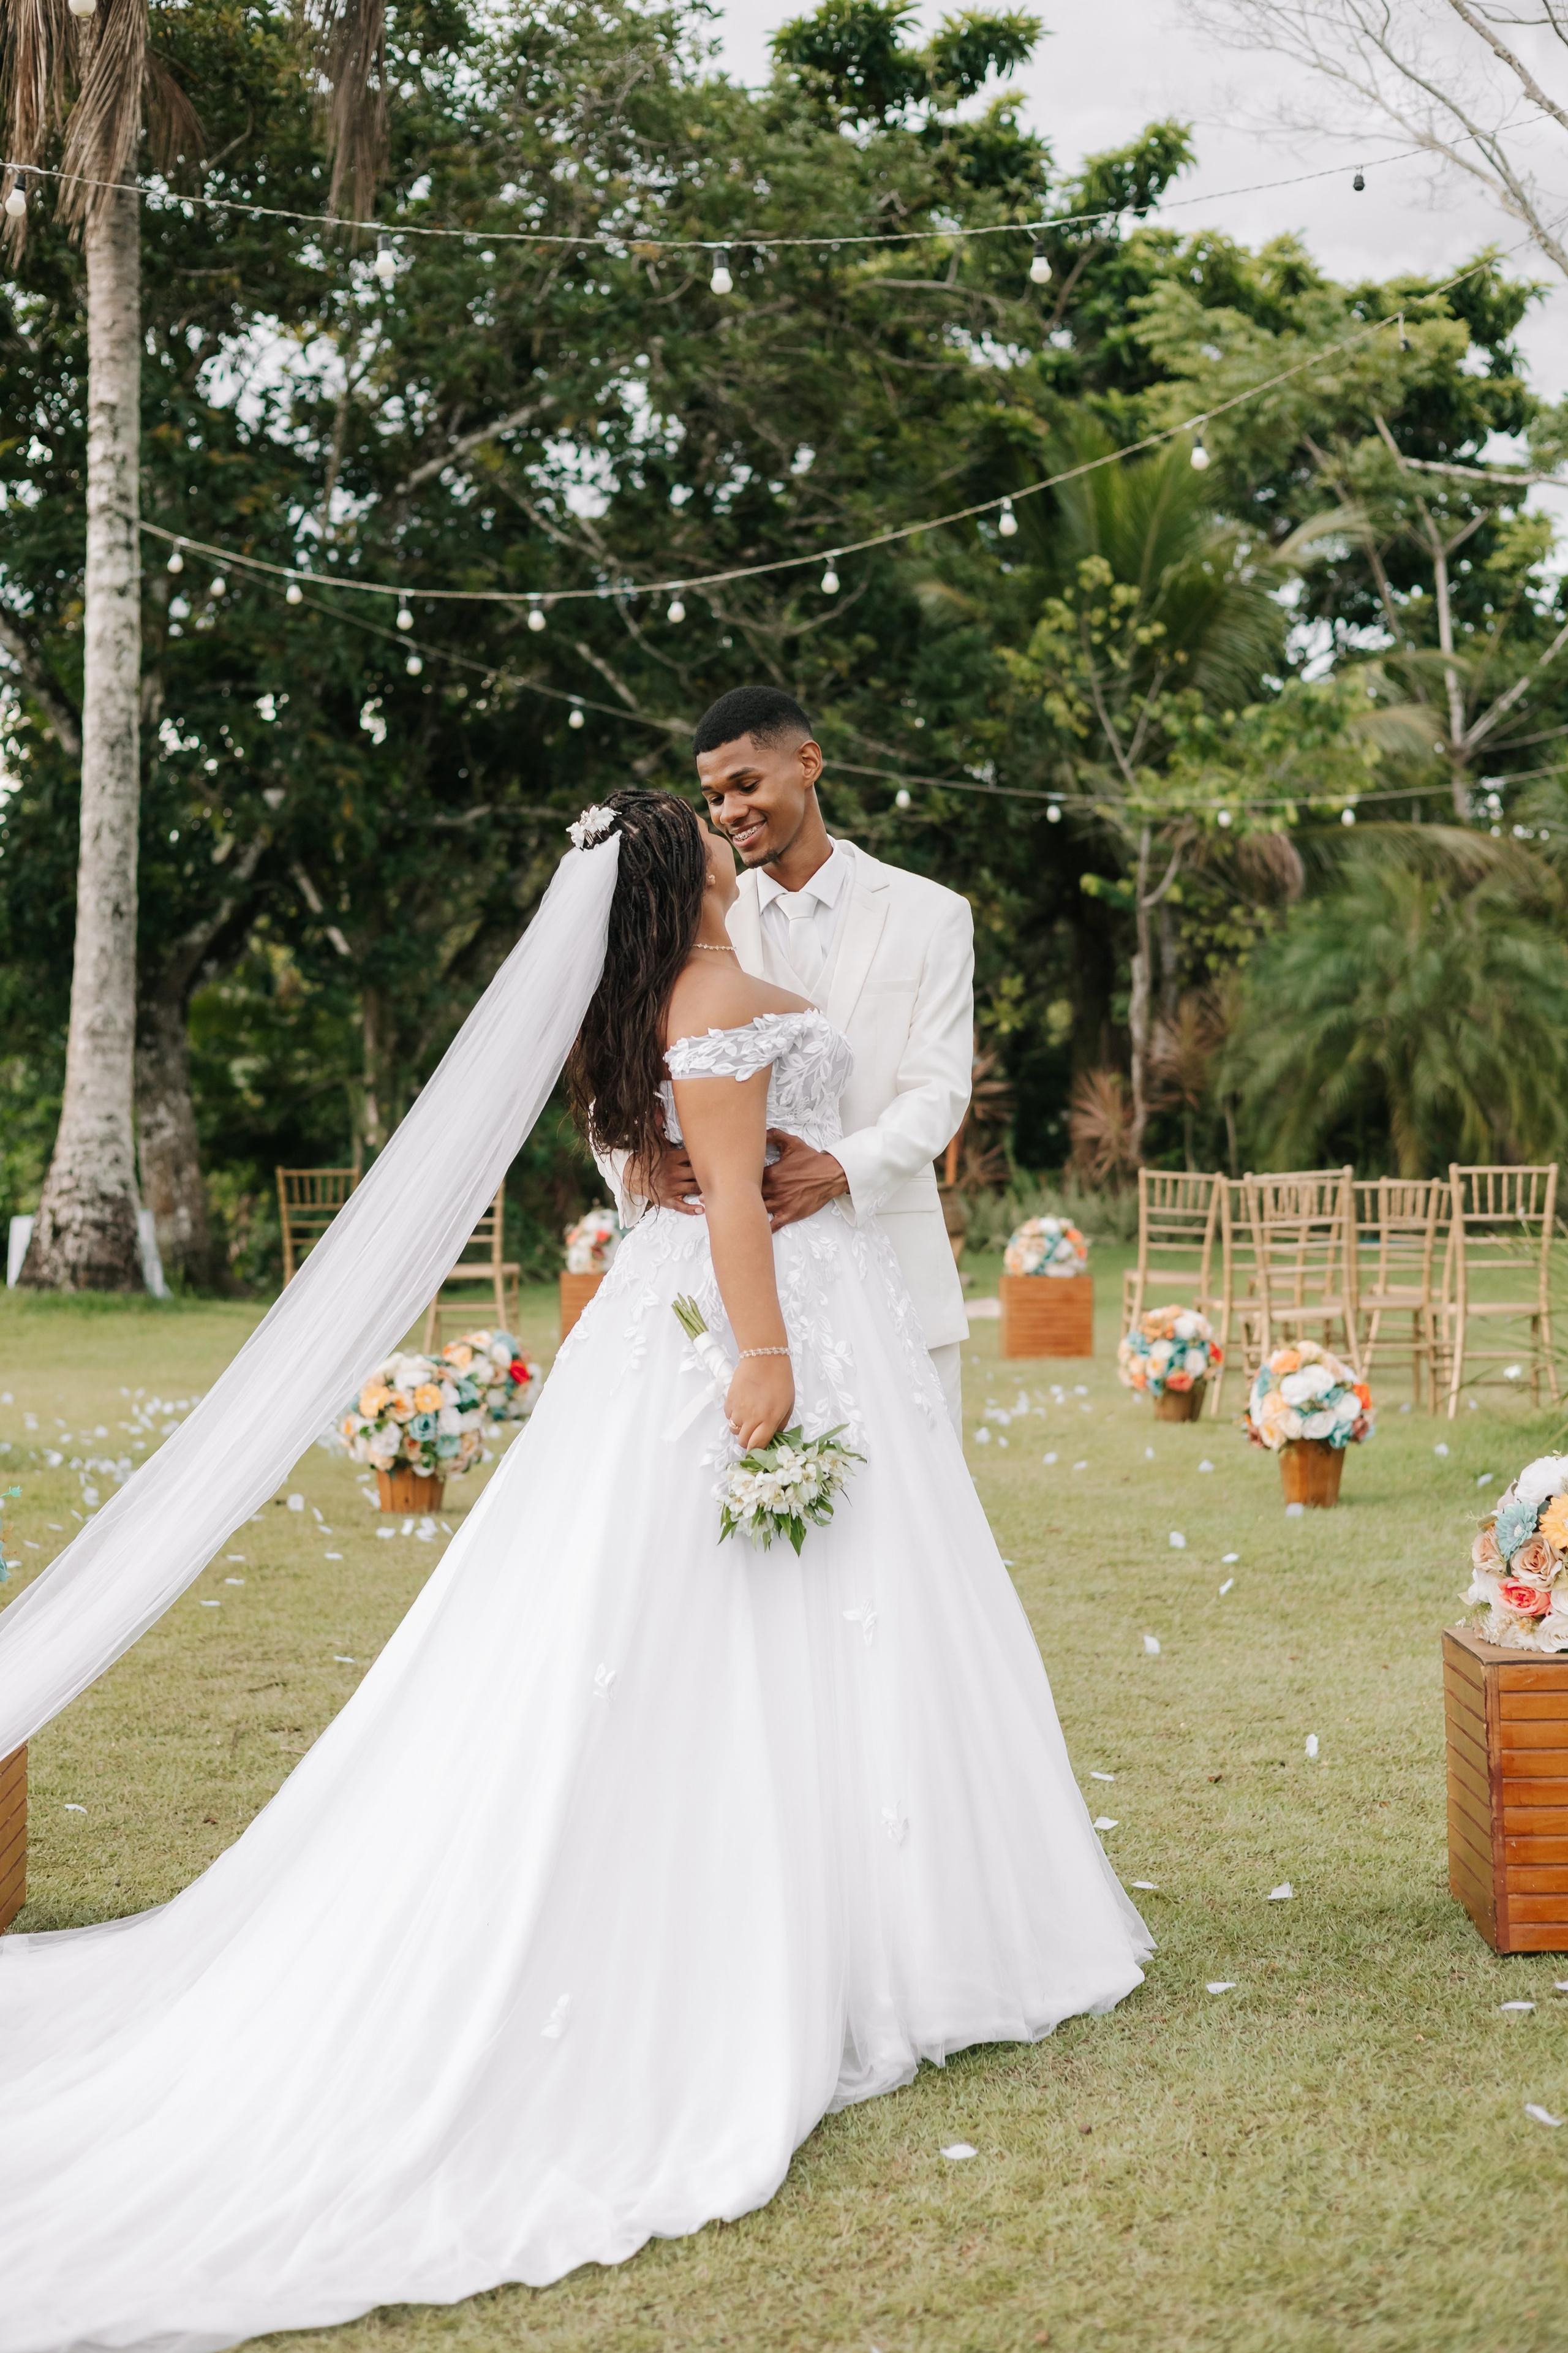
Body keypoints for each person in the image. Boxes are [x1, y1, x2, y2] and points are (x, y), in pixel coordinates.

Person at [0, 793, 1149, 2353]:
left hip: (748, 1318)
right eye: (705, 827)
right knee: (761, 1609)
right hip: (759, 1323)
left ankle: (886, 1917)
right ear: (682, 875)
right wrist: (762, 1359)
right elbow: (728, 1195)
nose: (728, 833)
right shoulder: (715, 999)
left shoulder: (655, 1003)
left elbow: (666, 1166)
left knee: (820, 1612)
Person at [610, 685, 974, 1431]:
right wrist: (633, 1164)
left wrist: (840, 1168)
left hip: (895, 1260)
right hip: (735, 1290)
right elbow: (616, 1056)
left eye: (746, 784)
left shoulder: (932, 913)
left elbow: (938, 1089)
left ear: (807, 763)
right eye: (714, 797)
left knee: (912, 1486)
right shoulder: (695, 913)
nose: (728, 812)